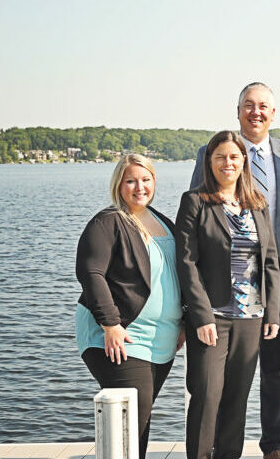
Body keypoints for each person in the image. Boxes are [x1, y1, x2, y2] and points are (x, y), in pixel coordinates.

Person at [190, 82, 280, 459]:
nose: (256, 112)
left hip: (279, 282)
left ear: (274, 113)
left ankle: (274, 445)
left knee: (277, 368)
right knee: (219, 379)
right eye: (248, 105)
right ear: (237, 110)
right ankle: (212, 448)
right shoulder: (212, 153)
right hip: (223, 291)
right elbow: (194, 223)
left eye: (263, 107)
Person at [176, 131, 280, 459]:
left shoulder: (257, 204)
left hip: (251, 319)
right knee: (207, 396)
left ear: (243, 162)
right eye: (220, 156)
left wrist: (272, 312)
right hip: (213, 320)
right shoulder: (195, 202)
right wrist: (201, 315)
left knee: (237, 400)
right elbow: (186, 262)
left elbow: (271, 260)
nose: (228, 163)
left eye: (234, 157)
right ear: (209, 161)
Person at [75, 154, 183, 459]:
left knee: (140, 417)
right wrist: (110, 325)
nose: (139, 187)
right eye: (131, 180)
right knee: (131, 421)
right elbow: (90, 272)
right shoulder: (108, 221)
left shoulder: (162, 221)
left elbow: (179, 274)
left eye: (146, 179)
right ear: (119, 184)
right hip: (122, 338)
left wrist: (183, 320)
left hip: (160, 341)